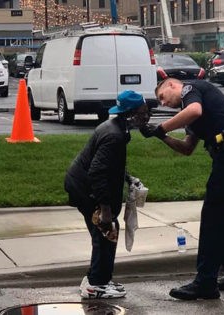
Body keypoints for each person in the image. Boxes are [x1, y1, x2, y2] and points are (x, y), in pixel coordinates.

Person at [140, 78, 224, 300]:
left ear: (172, 86)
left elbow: (194, 110)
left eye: (162, 97)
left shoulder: (191, 90)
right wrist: (161, 136)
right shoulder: (192, 114)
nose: (164, 104)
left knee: (212, 217)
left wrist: (161, 127)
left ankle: (205, 282)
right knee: (222, 218)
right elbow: (187, 148)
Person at [64, 90, 150, 299]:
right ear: (131, 113)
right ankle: (96, 285)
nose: (147, 116)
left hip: (83, 183)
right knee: (106, 229)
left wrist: (128, 178)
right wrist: (104, 209)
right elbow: (97, 172)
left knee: (106, 232)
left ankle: (97, 278)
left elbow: (108, 164)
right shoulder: (114, 135)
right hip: (85, 189)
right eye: (143, 112)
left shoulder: (118, 128)